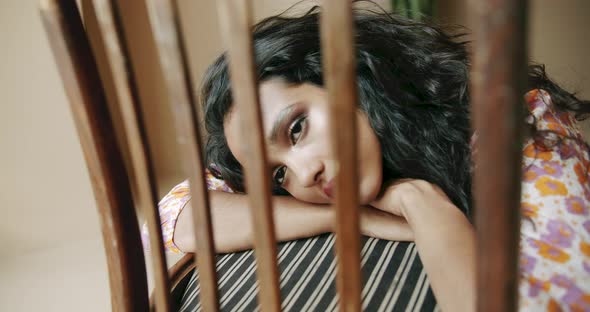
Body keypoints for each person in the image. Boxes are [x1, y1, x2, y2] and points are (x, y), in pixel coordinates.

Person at [142, 5, 590, 311]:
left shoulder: (515, 125)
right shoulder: (335, 181)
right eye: (278, 175)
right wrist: (353, 217)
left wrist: (420, 201)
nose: (303, 173)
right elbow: (169, 219)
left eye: (296, 129)